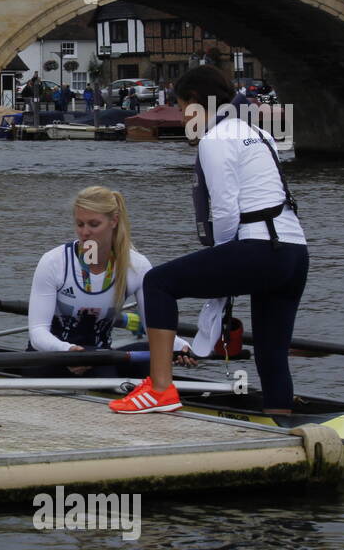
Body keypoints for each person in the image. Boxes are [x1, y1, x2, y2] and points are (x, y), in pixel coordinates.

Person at [110, 65, 307, 415]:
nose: (183, 115)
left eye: (183, 106)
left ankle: (159, 388)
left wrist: (223, 269)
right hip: (294, 254)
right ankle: (281, 418)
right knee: (270, 349)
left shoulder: (214, 140)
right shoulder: (259, 134)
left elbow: (227, 211)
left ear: (199, 103)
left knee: (158, 283)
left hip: (259, 248)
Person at [27, 186, 195, 378]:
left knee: (153, 354)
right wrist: (69, 351)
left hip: (101, 357)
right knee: (106, 370)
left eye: (93, 224)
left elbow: (153, 329)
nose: (85, 233)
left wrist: (182, 347)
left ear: (114, 221)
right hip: (51, 357)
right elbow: (38, 334)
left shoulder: (137, 266)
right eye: (80, 224)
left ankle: (158, 397)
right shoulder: (54, 262)